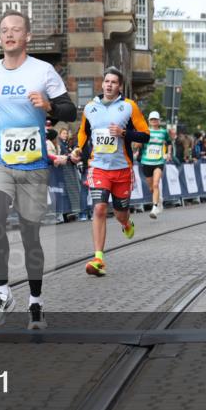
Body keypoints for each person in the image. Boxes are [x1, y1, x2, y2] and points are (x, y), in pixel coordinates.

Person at [0, 10, 77, 329]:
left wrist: (49, 106)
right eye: (4, 30)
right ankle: (2, 292)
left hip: (33, 165)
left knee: (30, 235)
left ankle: (36, 302)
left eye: (16, 30)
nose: (9, 34)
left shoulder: (43, 71)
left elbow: (70, 110)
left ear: (27, 36)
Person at [73, 69, 149, 277]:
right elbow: (83, 132)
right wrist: (78, 148)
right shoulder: (90, 107)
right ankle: (98, 258)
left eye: (114, 82)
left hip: (122, 169)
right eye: (106, 81)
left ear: (119, 86)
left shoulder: (129, 106)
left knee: (120, 213)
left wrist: (123, 133)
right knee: (99, 208)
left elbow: (145, 135)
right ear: (102, 83)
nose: (109, 85)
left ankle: (126, 223)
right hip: (98, 167)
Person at [139, 111, 167, 219]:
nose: (154, 121)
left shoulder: (163, 132)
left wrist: (168, 152)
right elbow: (138, 145)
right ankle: (159, 200)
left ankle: (154, 208)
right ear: (149, 121)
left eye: (156, 119)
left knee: (156, 184)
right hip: (146, 162)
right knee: (151, 188)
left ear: (159, 121)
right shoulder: (145, 132)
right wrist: (137, 143)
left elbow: (169, 142)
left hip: (158, 162)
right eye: (152, 119)